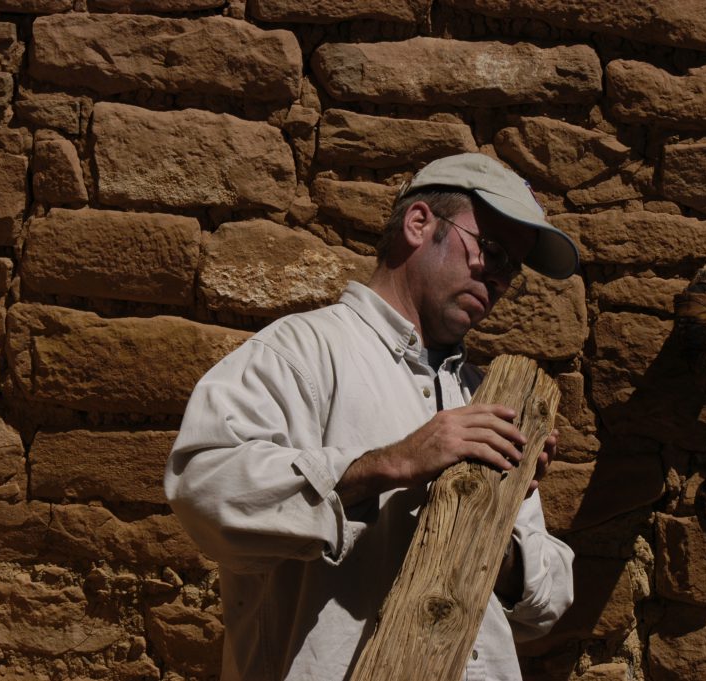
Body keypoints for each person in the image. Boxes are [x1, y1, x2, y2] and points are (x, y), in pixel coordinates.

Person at [165, 153, 578, 681]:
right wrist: (392, 463)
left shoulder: (487, 395)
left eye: (510, 269)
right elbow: (204, 490)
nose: (497, 279)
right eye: (490, 251)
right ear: (418, 224)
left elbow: (547, 599)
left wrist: (488, 524)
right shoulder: (301, 352)